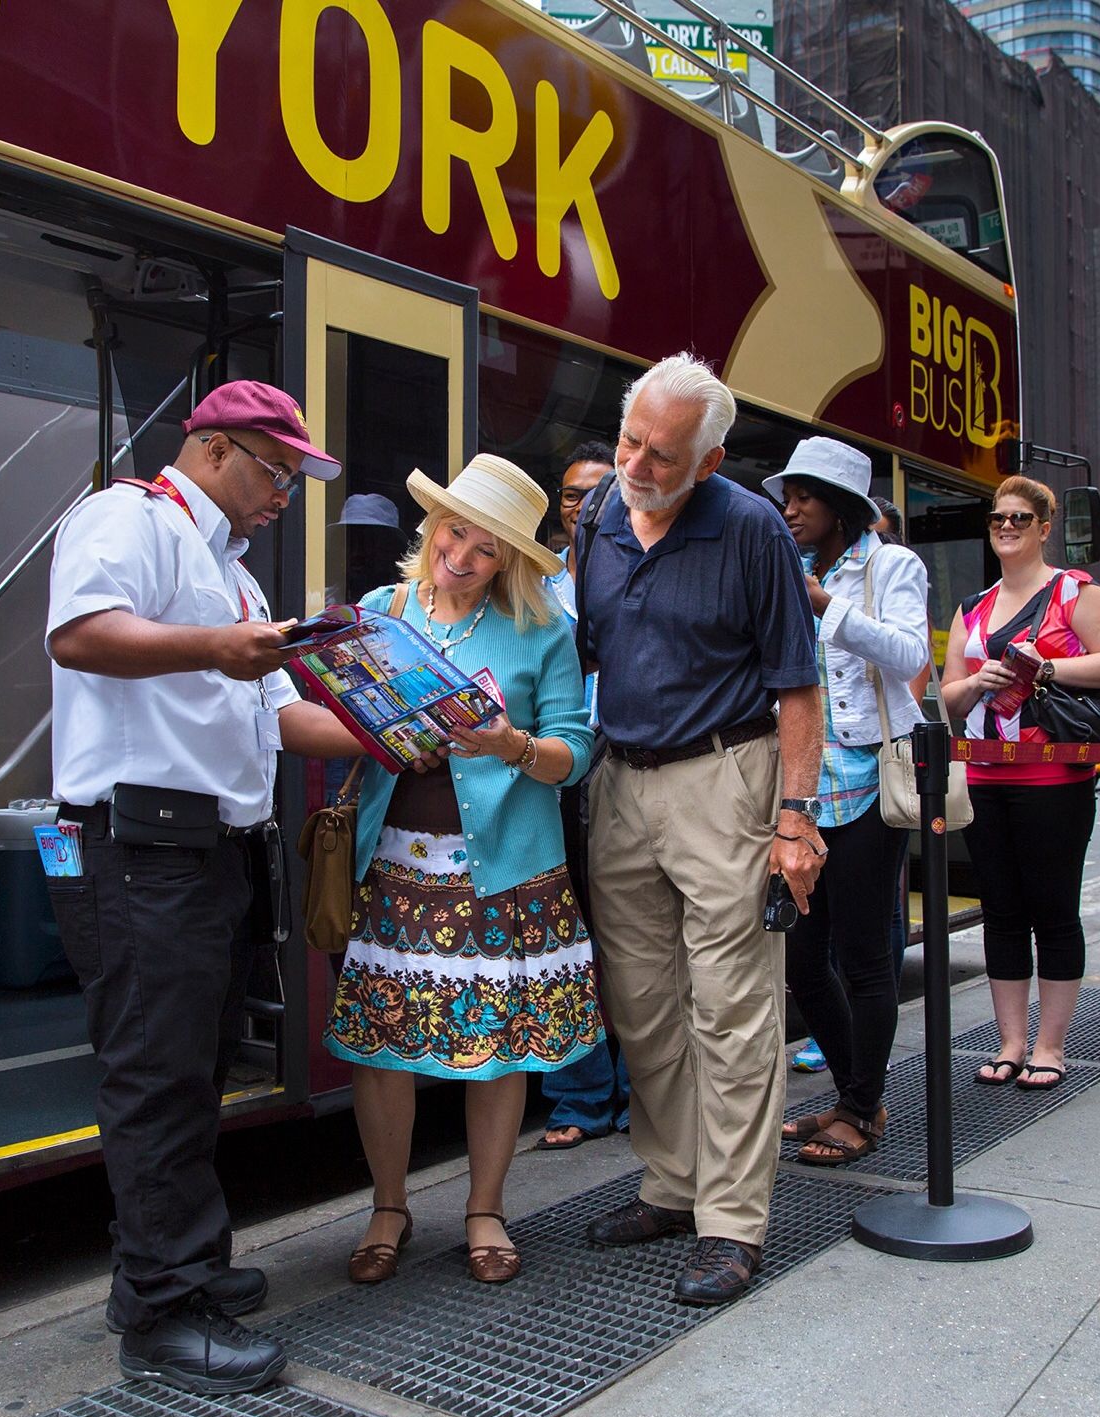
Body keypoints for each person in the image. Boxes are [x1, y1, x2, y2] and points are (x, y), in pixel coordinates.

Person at [44, 379, 365, 1396]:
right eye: (276, 474)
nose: (283, 497)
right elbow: (80, 634)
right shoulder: (125, 517)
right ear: (216, 448)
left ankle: (173, 1274)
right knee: (158, 1073)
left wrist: (401, 732)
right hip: (136, 848)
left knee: (198, 1063)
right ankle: (163, 1310)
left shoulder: (234, 579)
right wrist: (214, 649)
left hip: (212, 855)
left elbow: (281, 717)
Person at [574, 352, 823, 1308]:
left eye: (663, 455)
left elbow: (799, 684)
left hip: (726, 776)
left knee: (731, 1007)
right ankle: (672, 1184)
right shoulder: (600, 515)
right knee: (640, 1002)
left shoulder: (752, 529)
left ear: (710, 462)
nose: (636, 463)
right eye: (632, 439)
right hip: (621, 779)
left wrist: (793, 819)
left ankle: (731, 1221)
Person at [327, 454, 600, 1286]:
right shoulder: (381, 609)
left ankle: (485, 1208)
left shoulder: (541, 630)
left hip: (505, 872)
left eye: (488, 547)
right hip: (394, 863)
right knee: (382, 1048)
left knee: (500, 1046)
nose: (464, 554)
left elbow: (575, 753)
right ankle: (388, 1205)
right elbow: (339, 712)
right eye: (456, 532)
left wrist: (508, 744)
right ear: (431, 527)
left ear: (511, 560)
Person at [939, 476, 1100, 1092]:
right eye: (998, 518)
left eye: (1020, 519)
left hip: (1054, 773)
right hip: (986, 772)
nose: (1005, 527)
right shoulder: (973, 605)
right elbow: (947, 695)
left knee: (1052, 910)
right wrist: (976, 684)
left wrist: (1045, 666)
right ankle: (1009, 1043)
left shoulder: (1073, 592)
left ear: (1045, 528)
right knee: (999, 912)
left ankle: (1049, 1046)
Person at [765, 439, 928, 1166]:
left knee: (865, 957)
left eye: (805, 497)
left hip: (867, 786)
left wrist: (829, 607)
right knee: (801, 960)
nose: (790, 509)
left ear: (842, 507)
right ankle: (854, 1091)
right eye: (788, 496)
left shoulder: (891, 564)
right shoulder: (786, 567)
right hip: (800, 792)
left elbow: (910, 654)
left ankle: (861, 1108)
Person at [537, 439, 633, 1149]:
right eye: (572, 495)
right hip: (553, 777)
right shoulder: (536, 584)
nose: (583, 507)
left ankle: (639, 1089)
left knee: (630, 936)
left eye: (598, 492)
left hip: (625, 768)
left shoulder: (640, 572)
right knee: (563, 936)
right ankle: (579, 1092)